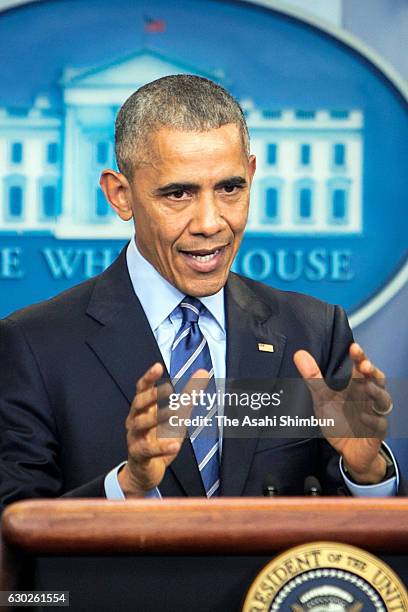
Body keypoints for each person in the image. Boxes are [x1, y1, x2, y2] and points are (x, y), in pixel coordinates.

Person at [0, 75, 403, 510]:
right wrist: (127, 485)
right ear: (121, 195)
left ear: (251, 175)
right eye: (178, 193)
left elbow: (351, 546)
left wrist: (367, 472)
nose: (211, 222)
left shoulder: (314, 332)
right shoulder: (34, 345)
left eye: (230, 188)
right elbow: (14, 530)